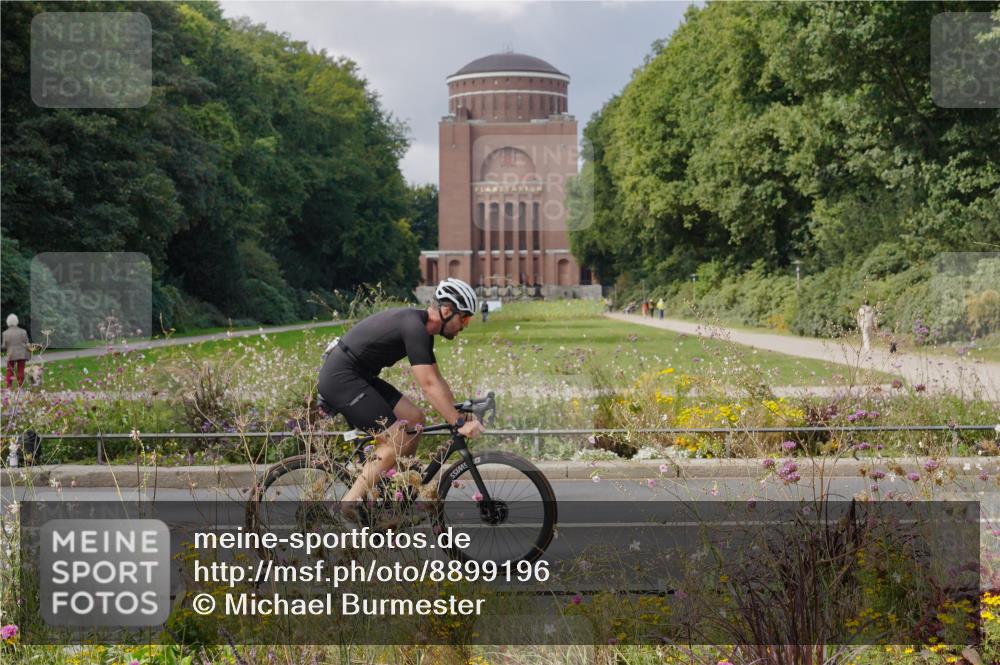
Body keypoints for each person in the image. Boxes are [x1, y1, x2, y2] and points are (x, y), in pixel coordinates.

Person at [318, 278, 486, 511]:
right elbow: (428, 385)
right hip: (341, 378)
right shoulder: (414, 326)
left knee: (414, 420)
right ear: (447, 311)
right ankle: (346, 506)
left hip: (359, 376)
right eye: (465, 318)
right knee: (394, 442)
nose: (465, 326)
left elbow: (437, 380)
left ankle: (398, 491)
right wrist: (457, 422)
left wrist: (457, 412)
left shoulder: (423, 330)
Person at [2, 314, 30, 389]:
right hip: (22, 354)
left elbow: (4, 346)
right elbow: (27, 343)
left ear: (8, 322)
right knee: (21, 370)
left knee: (9, 371)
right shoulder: (23, 331)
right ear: (17, 321)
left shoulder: (5, 333)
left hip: (11, 354)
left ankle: (9, 388)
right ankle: (20, 387)